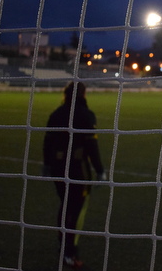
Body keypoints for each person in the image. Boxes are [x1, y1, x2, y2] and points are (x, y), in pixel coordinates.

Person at [43, 81, 107, 269]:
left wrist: (47, 165)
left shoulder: (56, 114)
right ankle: (70, 252)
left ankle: (63, 245)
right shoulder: (85, 115)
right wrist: (100, 169)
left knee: (65, 205)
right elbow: (91, 146)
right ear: (83, 95)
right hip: (77, 168)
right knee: (77, 210)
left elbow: (47, 142)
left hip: (57, 167)